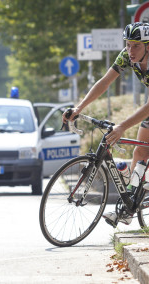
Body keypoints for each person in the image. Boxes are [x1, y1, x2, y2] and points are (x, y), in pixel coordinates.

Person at [63, 22, 149, 227]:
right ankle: (130, 207)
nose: (130, 50)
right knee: (139, 152)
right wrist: (79, 108)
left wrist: (122, 127)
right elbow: (104, 82)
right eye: (128, 44)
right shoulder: (126, 56)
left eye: (136, 45)